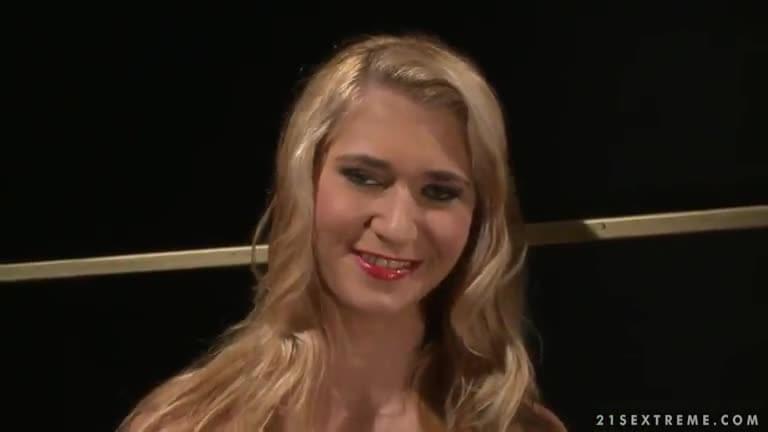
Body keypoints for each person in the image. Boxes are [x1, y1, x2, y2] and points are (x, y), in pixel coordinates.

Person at [119, 33, 567, 432]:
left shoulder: (518, 427)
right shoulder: (190, 424)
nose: (397, 228)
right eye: (363, 177)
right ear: (303, 181)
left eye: (439, 191)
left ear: (479, 216)